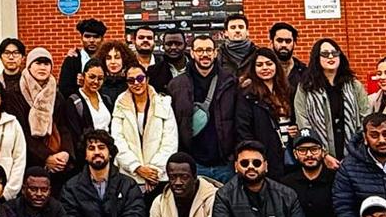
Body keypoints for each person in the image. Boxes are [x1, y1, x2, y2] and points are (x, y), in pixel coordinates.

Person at [4, 47, 79, 188]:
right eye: (38, 63)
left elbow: (63, 126)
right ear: (29, 66)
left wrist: (66, 152)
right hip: (28, 160)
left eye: (46, 64)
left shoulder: (57, 95)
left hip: (56, 159)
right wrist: (46, 157)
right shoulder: (15, 94)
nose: (42, 67)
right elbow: (20, 131)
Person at [169, 34, 238, 183]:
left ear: (215, 53)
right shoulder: (177, 85)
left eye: (208, 50)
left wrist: (235, 156)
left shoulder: (230, 81)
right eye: (200, 50)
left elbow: (240, 121)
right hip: (194, 163)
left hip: (225, 164)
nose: (204, 54)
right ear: (192, 53)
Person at [294, 38, 370, 168]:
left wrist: (356, 149)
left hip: (354, 155)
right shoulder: (306, 87)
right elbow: (303, 121)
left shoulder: (354, 85)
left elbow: (366, 117)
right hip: (318, 158)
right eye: (325, 54)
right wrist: (324, 154)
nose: (330, 56)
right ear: (316, 57)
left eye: (335, 53)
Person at [110, 63, 178, 192]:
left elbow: (170, 141)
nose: (136, 83)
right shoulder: (120, 104)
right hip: (130, 177)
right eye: (131, 80)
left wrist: (152, 171)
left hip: (158, 177)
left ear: (147, 79)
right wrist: (137, 167)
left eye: (140, 78)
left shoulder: (163, 103)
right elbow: (117, 140)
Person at [236, 48, 296, 179]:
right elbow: (243, 128)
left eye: (269, 63)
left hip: (289, 154)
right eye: (259, 65)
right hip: (264, 156)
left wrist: (295, 129)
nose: (265, 68)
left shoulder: (288, 90)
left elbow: (295, 119)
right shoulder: (247, 95)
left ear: (276, 65)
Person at [59, 17, 107, 97]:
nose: (91, 40)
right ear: (81, 38)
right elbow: (64, 89)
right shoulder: (72, 60)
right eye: (87, 36)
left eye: (96, 37)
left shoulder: (108, 60)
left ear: (102, 39)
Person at [69, 61, 113, 137]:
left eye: (100, 78)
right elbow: (75, 134)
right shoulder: (74, 102)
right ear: (83, 76)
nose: (96, 81)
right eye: (92, 77)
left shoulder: (106, 100)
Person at [268, 22, 308, 95]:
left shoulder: (304, 72)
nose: (284, 45)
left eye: (288, 41)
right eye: (279, 41)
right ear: (271, 43)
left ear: (294, 44)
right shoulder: (263, 71)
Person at [93, 38, 134, 103]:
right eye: (108, 58)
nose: (113, 62)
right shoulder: (98, 84)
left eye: (117, 58)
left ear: (124, 59)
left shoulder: (131, 83)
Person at [216, 13, 256, 80]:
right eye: (233, 27)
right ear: (226, 33)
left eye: (241, 27)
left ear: (247, 32)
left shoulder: (258, 53)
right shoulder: (218, 55)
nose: (237, 30)